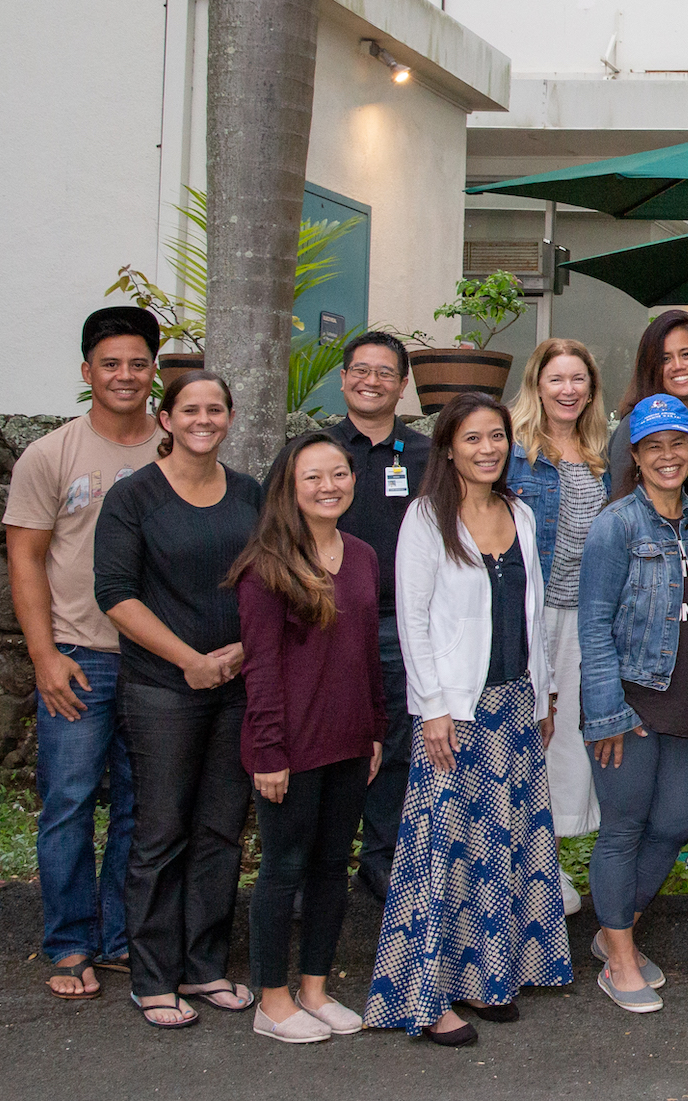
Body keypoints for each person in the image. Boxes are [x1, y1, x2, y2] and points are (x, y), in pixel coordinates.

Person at [366, 392, 570, 1044]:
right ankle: (428, 998)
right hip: (456, 712)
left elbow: (533, 611)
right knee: (443, 850)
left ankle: (486, 979)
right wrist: (431, 708)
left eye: (497, 436)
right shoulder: (426, 518)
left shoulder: (520, 512)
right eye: (473, 438)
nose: (488, 449)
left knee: (500, 846)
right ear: (449, 448)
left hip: (514, 705)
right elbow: (413, 620)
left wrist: (543, 694)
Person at [93, 370, 263, 1030]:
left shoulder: (248, 493)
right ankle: (153, 977)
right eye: (190, 409)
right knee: (161, 832)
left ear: (229, 418)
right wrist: (190, 660)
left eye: (215, 408)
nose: (203, 419)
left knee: (221, 828)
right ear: (166, 419)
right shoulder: (134, 497)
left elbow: (270, 580)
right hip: (162, 689)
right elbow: (115, 594)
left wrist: (242, 651)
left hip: (237, 685)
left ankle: (203, 963)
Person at [6, 306, 157, 1001]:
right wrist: (44, 656)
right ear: (87, 371)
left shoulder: (175, 448)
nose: (125, 375)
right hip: (79, 654)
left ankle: (122, 937)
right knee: (67, 803)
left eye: (138, 362)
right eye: (111, 363)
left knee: (141, 806)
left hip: (156, 662)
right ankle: (70, 943)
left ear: (153, 370)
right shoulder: (51, 454)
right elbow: (26, 559)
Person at [232, 433, 386, 1042]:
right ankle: (272, 1002)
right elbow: (261, 669)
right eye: (313, 477)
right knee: (283, 868)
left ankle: (315, 990)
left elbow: (368, 652)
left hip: (349, 740)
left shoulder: (363, 555)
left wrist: (375, 730)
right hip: (290, 749)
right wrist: (269, 750)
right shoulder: (266, 566)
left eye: (339, 474)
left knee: (331, 867)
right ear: (288, 488)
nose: (329, 487)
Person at [577, 395, 688, 1014]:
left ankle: (614, 929)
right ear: (634, 455)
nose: (667, 456)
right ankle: (621, 960)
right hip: (629, 699)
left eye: (677, 443)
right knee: (624, 827)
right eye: (654, 446)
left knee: (676, 822)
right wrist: (606, 710)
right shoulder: (617, 525)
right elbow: (593, 624)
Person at [320, 330, 433, 904]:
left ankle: (381, 860)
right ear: (343, 380)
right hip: (323, 626)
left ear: (403, 385)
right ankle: (321, 869)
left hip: (399, 626)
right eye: (361, 371)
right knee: (327, 746)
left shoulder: (426, 456)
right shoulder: (314, 452)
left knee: (397, 748)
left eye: (385, 372)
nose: (372, 381)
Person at [507, 338, 609, 906]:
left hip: (584, 618)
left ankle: (546, 865)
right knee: (526, 735)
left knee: (567, 742)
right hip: (530, 614)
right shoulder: (514, 451)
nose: (568, 390)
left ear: (591, 390)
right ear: (537, 385)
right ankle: (518, 868)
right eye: (557, 379)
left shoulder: (602, 454)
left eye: (578, 379)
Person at [606, 309, 688, 479]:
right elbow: (622, 491)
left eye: (686, 354)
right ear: (650, 367)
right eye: (665, 359)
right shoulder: (633, 427)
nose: (678, 366)